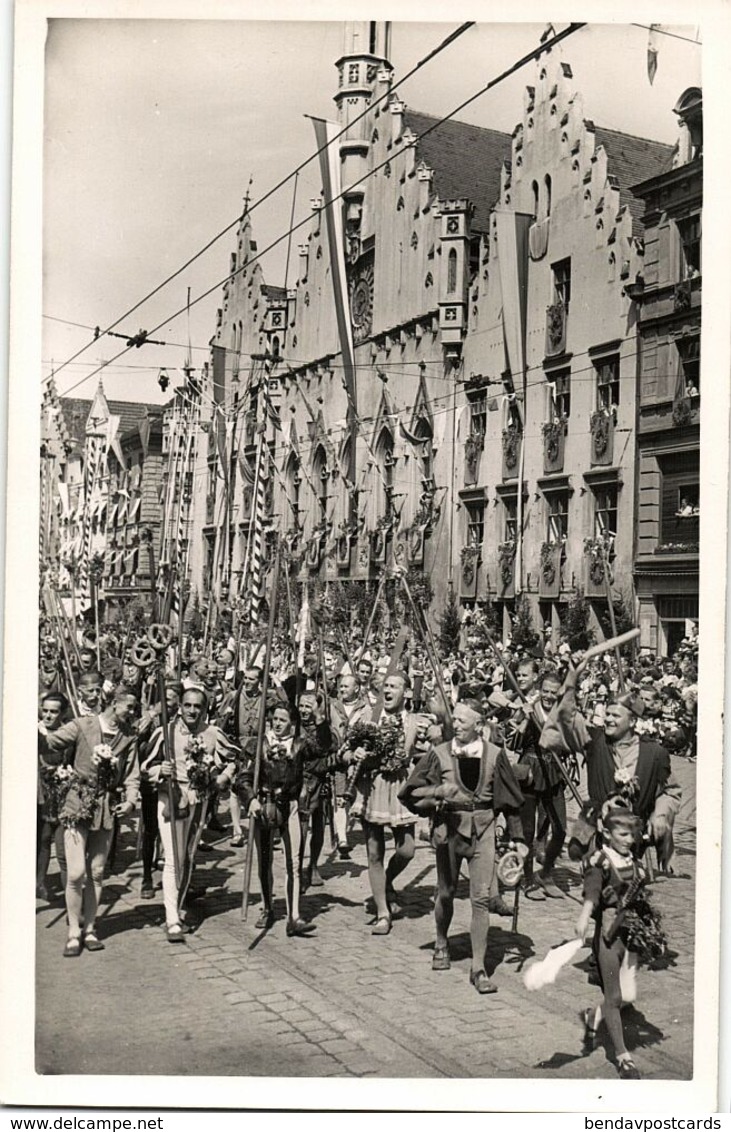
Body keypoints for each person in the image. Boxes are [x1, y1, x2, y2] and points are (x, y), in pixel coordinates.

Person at [399, 698, 528, 992]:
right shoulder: (439, 754)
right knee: (445, 892)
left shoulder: (495, 755)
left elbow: (510, 799)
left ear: (479, 725)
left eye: (461, 721)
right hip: (450, 829)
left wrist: (519, 839)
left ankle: (479, 968)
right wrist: (437, 791)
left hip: (483, 829)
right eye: (454, 719)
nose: (454, 725)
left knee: (481, 898)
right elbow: (410, 793)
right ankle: (442, 942)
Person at [40, 686, 141, 956]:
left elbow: (132, 773)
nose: (133, 712)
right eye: (129, 706)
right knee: (75, 873)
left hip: (106, 807)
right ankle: (73, 930)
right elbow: (52, 743)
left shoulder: (129, 736)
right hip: (77, 802)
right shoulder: (83, 725)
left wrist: (130, 800)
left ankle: (90, 928)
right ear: (113, 704)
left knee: (96, 872)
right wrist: (37, 729)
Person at [546, 665, 681, 867]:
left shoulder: (654, 753)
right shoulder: (593, 740)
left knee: (626, 887)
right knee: (597, 884)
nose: (608, 719)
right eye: (607, 714)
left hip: (631, 836)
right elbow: (567, 715)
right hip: (597, 831)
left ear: (633, 720)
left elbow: (670, 791)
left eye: (615, 716)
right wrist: (572, 677)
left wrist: (661, 815)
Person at [575, 802, 666, 1079]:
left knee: (628, 995)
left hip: (632, 938)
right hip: (608, 938)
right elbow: (591, 892)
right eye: (623, 835)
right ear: (607, 833)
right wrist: (584, 915)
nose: (629, 841)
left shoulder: (632, 862)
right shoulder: (599, 862)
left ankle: (594, 1016)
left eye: (631, 836)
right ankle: (623, 1056)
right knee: (614, 997)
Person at [349, 672, 442, 935]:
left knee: (407, 849)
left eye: (394, 686)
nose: (388, 691)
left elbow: (438, 743)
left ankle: (388, 881)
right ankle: (382, 913)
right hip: (373, 786)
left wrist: (437, 734)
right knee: (374, 852)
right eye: (385, 686)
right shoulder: (369, 718)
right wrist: (354, 752)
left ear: (407, 693)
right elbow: (346, 747)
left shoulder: (414, 721)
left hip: (401, 787)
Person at [142, 687, 238, 941]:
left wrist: (223, 778)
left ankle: (179, 905)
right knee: (173, 857)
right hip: (172, 799)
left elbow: (234, 758)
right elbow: (145, 765)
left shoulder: (213, 733)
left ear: (205, 708)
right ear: (180, 706)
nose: (192, 711)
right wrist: (158, 770)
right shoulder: (166, 732)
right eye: (187, 705)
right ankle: (171, 918)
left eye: (197, 706)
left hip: (200, 799)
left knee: (187, 857)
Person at [235, 700, 316, 936]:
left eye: (283, 720)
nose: (278, 724)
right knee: (265, 860)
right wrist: (250, 798)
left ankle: (294, 917)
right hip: (264, 805)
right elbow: (242, 777)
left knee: (294, 862)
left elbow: (322, 754)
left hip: (290, 805)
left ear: (292, 723)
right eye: (275, 719)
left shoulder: (300, 745)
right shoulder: (258, 743)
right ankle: (268, 908)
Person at [136, 681, 182, 899]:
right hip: (152, 781)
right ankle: (146, 876)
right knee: (150, 829)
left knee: (175, 832)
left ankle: (176, 877)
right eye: (167, 698)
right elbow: (140, 751)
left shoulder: (182, 723)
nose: (169, 703)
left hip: (176, 783)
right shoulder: (149, 722)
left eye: (173, 699)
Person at [37, 691, 70, 901]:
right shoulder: (35, 730)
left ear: (62, 713)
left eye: (54, 712)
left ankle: (69, 891)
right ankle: (39, 881)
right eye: (45, 710)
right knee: (42, 837)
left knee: (59, 839)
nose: (48, 715)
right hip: (39, 790)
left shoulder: (66, 732)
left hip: (61, 789)